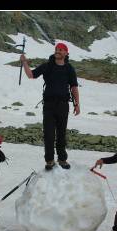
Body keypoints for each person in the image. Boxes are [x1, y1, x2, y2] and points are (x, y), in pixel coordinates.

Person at [20, 42, 80, 170]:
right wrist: (24, 62)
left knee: (61, 133)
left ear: (66, 53)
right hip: (49, 105)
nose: (58, 51)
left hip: (63, 105)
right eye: (57, 49)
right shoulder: (47, 66)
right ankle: (50, 160)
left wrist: (77, 104)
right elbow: (31, 75)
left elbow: (74, 87)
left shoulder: (69, 69)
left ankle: (62, 159)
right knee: (48, 134)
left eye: (61, 49)